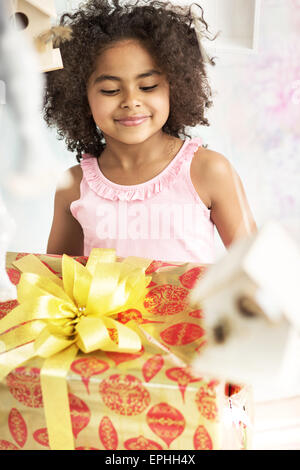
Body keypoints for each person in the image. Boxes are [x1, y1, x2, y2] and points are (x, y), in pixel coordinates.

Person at [45, 0, 256, 263]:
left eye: (148, 86)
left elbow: (259, 269)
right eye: (110, 90)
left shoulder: (209, 171)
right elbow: (53, 283)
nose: (131, 101)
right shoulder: (74, 186)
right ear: (80, 97)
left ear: (174, 88)